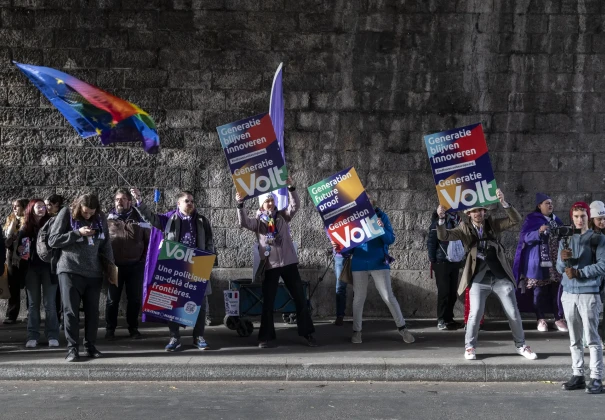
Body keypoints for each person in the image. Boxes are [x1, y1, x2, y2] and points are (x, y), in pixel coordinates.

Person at [436, 189, 538, 361]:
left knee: (513, 312)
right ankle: (470, 347)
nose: (478, 214)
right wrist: (441, 218)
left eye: (481, 210)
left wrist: (504, 203)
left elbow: (515, 220)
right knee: (475, 313)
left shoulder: (493, 224)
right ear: (469, 213)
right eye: (475, 211)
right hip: (478, 277)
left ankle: (521, 345)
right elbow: (444, 235)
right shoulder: (464, 228)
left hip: (499, 276)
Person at [235, 179, 316, 348]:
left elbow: (295, 206)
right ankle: (265, 337)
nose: (270, 203)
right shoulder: (258, 223)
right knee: (268, 302)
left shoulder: (282, 217)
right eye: (266, 201)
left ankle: (307, 333)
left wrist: (291, 188)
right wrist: (240, 204)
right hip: (270, 266)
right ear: (261, 205)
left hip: (288, 263)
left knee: (300, 298)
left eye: (271, 200)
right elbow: (243, 222)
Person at [131, 188, 214, 352]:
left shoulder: (202, 221)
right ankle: (175, 337)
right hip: (175, 267)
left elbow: (210, 241)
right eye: (186, 201)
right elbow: (151, 218)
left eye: (192, 201)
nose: (190, 204)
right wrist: (139, 201)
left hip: (197, 265)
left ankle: (198, 336)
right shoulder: (169, 219)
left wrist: (209, 259)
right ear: (178, 203)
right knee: (173, 303)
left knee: (200, 303)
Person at [337, 195, 414, 345]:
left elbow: (390, 239)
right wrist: (340, 247)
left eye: (369, 201)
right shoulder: (353, 219)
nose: (366, 203)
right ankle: (357, 331)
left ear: (373, 204)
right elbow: (347, 248)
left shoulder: (382, 216)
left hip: (379, 262)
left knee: (388, 296)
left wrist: (382, 229)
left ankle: (402, 328)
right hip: (359, 263)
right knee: (358, 298)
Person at [48, 194, 114, 362]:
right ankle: (72, 349)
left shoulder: (100, 217)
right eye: (85, 212)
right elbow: (53, 240)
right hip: (70, 269)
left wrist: (111, 269)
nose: (88, 216)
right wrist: (77, 233)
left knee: (93, 312)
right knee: (71, 312)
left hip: (94, 272)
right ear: (79, 207)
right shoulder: (66, 213)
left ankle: (90, 346)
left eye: (91, 212)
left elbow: (106, 244)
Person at [559, 202, 605, 394]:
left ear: (588, 217)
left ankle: (596, 378)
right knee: (574, 338)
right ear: (572, 217)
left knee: (592, 338)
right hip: (568, 294)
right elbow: (559, 270)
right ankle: (578, 374)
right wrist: (562, 260)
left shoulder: (597, 238)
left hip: (588, 293)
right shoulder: (566, 240)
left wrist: (580, 273)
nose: (579, 220)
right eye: (576, 216)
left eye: (583, 216)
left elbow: (602, 266)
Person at [513, 193, 567, 332]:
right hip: (538, 260)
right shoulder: (532, 219)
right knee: (539, 290)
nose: (550, 205)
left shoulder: (556, 220)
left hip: (555, 260)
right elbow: (525, 238)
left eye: (551, 203)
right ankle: (540, 319)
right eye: (547, 203)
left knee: (557, 290)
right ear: (539, 206)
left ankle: (558, 318)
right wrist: (538, 232)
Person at [105, 188, 150, 340]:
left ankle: (133, 328)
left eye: (123, 199)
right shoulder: (108, 220)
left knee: (134, 299)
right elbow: (103, 243)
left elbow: (148, 241)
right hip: (114, 266)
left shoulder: (140, 219)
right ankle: (110, 329)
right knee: (112, 300)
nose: (120, 201)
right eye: (117, 199)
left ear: (129, 201)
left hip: (135, 266)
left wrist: (142, 260)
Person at [18, 199, 59, 348]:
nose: (42, 209)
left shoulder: (52, 224)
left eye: (43, 206)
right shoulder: (26, 228)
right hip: (31, 269)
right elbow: (19, 248)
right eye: (38, 207)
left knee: (50, 304)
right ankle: (32, 335)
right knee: (33, 304)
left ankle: (53, 335)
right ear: (31, 209)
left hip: (49, 268)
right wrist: (20, 251)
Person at [428, 209, 464, 330]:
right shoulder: (439, 222)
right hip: (442, 262)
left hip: (454, 262)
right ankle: (441, 319)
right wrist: (433, 260)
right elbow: (432, 242)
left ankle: (449, 319)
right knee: (444, 292)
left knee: (453, 292)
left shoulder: (459, 221)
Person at [3, 198, 28, 324]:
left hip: (26, 255)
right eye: (13, 206)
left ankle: (30, 313)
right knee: (13, 286)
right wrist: (13, 225)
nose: (14, 208)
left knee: (29, 285)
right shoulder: (11, 219)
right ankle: (11, 315)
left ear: (24, 207)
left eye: (17, 206)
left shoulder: (29, 221)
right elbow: (7, 237)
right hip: (12, 256)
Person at [45, 194, 64, 329]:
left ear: (57, 204)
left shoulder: (62, 217)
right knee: (56, 292)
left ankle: (62, 319)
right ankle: (57, 319)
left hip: (61, 258)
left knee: (62, 292)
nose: (47, 208)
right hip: (54, 259)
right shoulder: (49, 218)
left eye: (49, 205)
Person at [333, 250, 347, 326]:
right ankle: (340, 316)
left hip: (357, 256)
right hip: (340, 256)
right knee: (340, 288)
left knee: (358, 288)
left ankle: (357, 317)